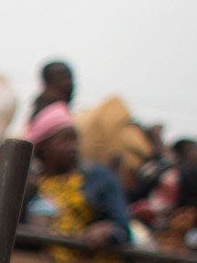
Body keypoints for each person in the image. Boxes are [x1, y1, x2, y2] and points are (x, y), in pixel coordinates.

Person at [23, 103, 132, 245]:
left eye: (75, 139)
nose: (73, 147)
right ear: (43, 147)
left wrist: (109, 231)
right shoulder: (29, 183)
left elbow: (123, 229)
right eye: (65, 140)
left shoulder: (98, 179)